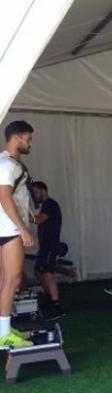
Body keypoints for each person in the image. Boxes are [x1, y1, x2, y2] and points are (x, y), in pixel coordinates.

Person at [0, 121, 35, 349]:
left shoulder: (8, 163)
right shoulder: (7, 165)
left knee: (5, 281)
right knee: (13, 280)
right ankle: (4, 335)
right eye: (28, 138)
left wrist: (29, 217)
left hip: (6, 228)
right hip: (10, 230)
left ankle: (4, 329)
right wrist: (23, 229)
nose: (30, 143)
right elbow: (4, 198)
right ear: (17, 137)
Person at [30, 181, 64, 317]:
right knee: (38, 271)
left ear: (44, 191)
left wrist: (21, 215)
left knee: (48, 272)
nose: (34, 195)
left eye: (36, 192)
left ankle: (56, 305)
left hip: (51, 245)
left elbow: (39, 220)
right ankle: (50, 297)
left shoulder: (50, 204)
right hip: (45, 246)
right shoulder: (46, 205)